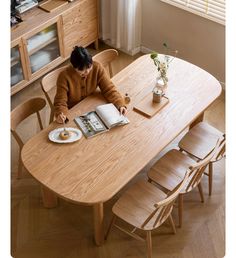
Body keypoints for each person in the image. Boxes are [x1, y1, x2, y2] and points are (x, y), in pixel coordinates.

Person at [54, 46, 127, 123]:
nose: (87, 72)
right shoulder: (64, 77)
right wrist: (61, 114)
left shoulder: (97, 67)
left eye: (89, 67)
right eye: (81, 70)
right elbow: (60, 101)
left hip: (92, 106)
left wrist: (120, 104)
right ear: (73, 67)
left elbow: (109, 89)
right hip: (73, 111)